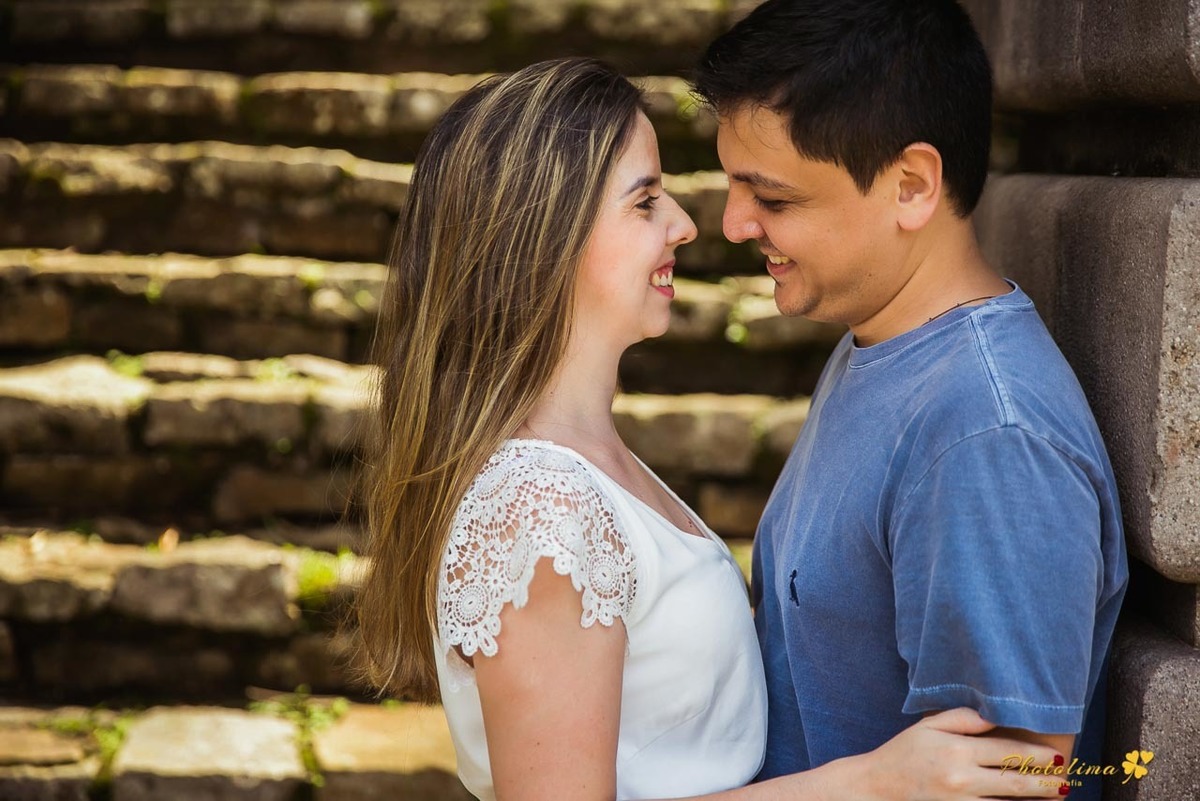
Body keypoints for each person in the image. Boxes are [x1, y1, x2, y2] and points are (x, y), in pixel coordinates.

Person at [351, 57, 1069, 801]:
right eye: (645, 202)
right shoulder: (538, 510)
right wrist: (870, 783)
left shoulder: (586, 463)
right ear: (544, 239)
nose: (687, 225)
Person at [692, 2, 1129, 800]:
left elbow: (1012, 782)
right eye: (733, 185)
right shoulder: (875, 342)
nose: (733, 223)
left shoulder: (985, 436)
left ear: (911, 185)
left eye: (774, 198)